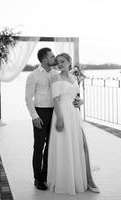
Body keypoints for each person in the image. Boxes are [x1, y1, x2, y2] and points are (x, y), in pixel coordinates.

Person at [47, 53, 99, 195]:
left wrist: (80, 101)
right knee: (64, 144)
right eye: (57, 62)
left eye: (63, 61)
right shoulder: (55, 78)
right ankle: (64, 181)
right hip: (62, 113)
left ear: (70, 62)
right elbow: (56, 100)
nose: (60, 64)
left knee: (75, 144)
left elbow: (75, 96)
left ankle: (76, 176)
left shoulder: (74, 78)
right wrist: (60, 119)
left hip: (74, 114)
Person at [25, 47, 58, 190]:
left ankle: (45, 175)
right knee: (39, 146)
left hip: (55, 113)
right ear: (44, 60)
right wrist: (34, 116)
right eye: (52, 57)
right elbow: (28, 98)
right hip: (40, 112)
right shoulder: (33, 75)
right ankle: (37, 178)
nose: (55, 58)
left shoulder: (57, 73)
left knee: (51, 146)